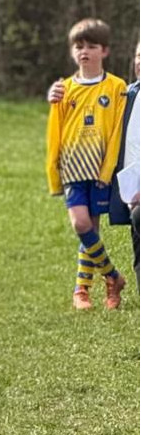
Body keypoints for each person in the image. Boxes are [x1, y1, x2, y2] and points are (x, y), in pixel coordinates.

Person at [45, 18, 128, 310]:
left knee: (91, 227)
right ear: (72, 52)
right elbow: (54, 131)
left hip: (100, 170)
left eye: (91, 46)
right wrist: (53, 172)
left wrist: (108, 171)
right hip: (72, 169)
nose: (84, 52)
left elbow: (118, 131)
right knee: (81, 224)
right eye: (79, 46)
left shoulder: (117, 87)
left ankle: (82, 290)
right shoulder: (63, 89)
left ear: (104, 51)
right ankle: (113, 276)